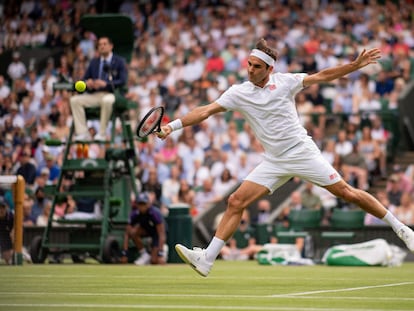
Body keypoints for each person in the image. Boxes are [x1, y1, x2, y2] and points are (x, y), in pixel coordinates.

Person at [158, 38, 414, 277]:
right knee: (236, 201)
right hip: (274, 160)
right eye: (248, 64)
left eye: (256, 66)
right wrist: (173, 126)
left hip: (302, 152)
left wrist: (354, 66)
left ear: (269, 69)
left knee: (346, 192)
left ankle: (401, 228)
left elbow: (323, 76)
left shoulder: (286, 82)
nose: (250, 70)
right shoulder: (239, 92)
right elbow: (206, 110)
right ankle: (207, 259)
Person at [69, 36, 127, 141]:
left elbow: (122, 81)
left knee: (107, 100)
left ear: (111, 46)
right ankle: (82, 133)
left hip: (111, 94)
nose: (102, 46)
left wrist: (106, 84)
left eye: (105, 44)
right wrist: (88, 83)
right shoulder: (94, 62)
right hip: (95, 95)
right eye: (100, 44)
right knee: (75, 100)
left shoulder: (119, 61)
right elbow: (84, 79)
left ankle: (102, 133)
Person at [122, 192, 167, 266]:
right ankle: (144, 254)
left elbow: (161, 234)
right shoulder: (134, 214)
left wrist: (160, 253)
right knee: (132, 232)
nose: (142, 206)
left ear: (148, 204)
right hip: (146, 230)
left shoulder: (155, 213)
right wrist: (125, 253)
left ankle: (163, 249)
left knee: (154, 261)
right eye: (140, 204)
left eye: (144, 204)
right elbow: (127, 233)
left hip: (157, 234)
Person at [0, 198, 14, 264]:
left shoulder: (11, 216)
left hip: (7, 239)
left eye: (2, 207)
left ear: (6, 207)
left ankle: (25, 255)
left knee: (9, 259)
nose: (1, 210)